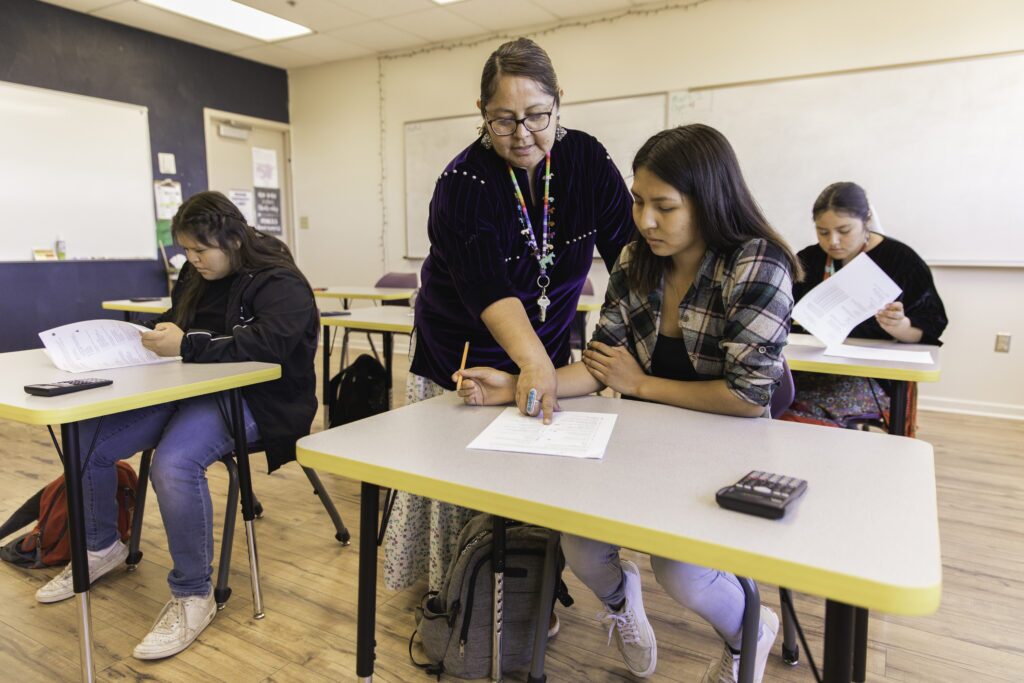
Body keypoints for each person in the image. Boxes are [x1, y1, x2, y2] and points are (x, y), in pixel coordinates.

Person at [455, 124, 800, 683]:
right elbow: (601, 369)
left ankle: (749, 632)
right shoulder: (637, 260)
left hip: (727, 448)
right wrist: (518, 382)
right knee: (580, 545)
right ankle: (621, 604)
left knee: (682, 572)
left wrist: (640, 386)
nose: (643, 221)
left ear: (709, 201)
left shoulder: (758, 263)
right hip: (642, 444)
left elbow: (747, 395)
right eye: (638, 201)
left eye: (664, 206)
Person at [384, 37, 634, 593]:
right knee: (462, 486)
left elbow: (630, 258)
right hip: (465, 350)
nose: (522, 135)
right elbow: (489, 291)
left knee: (539, 480)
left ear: (559, 101)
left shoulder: (587, 160)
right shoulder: (463, 184)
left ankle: (527, 595)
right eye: (504, 120)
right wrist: (533, 365)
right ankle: (461, 594)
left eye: (537, 116)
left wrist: (627, 343)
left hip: (546, 347)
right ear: (481, 114)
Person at [34, 191, 319, 659]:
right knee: (86, 436)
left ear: (232, 237)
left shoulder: (279, 280)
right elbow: (182, 321)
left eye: (200, 251)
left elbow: (270, 345)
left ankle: (192, 594)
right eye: (184, 251)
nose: (192, 260)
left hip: (258, 400)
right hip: (186, 389)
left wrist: (187, 345)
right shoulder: (195, 272)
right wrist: (153, 332)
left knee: (174, 463)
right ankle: (101, 545)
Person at [787, 182, 948, 433]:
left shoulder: (901, 260)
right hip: (809, 365)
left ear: (867, 220)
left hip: (870, 378)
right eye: (823, 232)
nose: (834, 241)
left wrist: (901, 326)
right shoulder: (809, 259)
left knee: (801, 410)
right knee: (770, 395)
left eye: (844, 230)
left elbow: (930, 326)